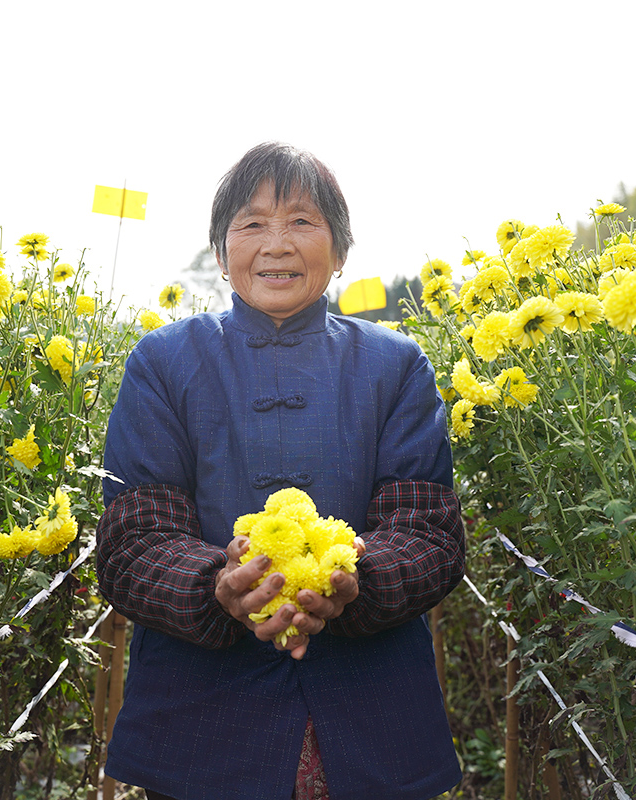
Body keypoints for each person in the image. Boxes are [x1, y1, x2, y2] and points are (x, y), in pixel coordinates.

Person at [95, 142, 465, 800]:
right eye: (252, 223)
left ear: (340, 250)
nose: (277, 244)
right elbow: (133, 541)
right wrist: (220, 584)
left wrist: (353, 577)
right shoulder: (164, 363)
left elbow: (430, 533)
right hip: (198, 724)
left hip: (372, 720)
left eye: (302, 221)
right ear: (219, 251)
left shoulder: (396, 367)